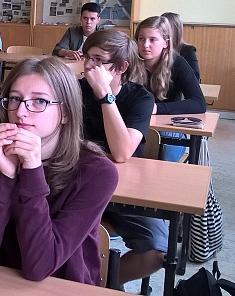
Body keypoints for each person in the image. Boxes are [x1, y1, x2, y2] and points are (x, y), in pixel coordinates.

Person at [0, 57, 118, 284]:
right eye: (15, 98)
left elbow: (39, 267)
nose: (21, 112)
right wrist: (6, 177)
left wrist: (32, 171)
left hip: (63, 285)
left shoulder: (98, 172)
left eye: (39, 101)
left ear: (65, 112)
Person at [79, 29, 166, 287]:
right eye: (87, 57)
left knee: (158, 250)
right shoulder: (74, 90)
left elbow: (121, 152)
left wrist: (104, 95)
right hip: (79, 183)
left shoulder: (141, 98)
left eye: (98, 60)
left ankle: (103, 285)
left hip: (124, 189)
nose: (89, 65)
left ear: (121, 67)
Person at [136, 15, 206, 162]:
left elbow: (199, 103)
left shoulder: (178, 64)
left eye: (152, 40)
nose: (145, 45)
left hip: (167, 129)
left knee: (162, 159)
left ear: (166, 43)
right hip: (136, 122)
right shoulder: (129, 62)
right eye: (141, 39)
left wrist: (156, 108)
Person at [161, 11, 200, 81]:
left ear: (176, 30)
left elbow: (195, 77)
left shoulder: (188, 50)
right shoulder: (157, 48)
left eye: (166, 28)